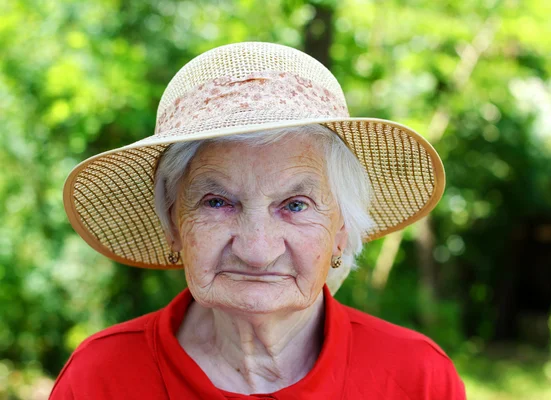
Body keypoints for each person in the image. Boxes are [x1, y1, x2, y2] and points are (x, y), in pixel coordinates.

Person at [51, 42, 465, 399]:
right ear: (174, 226)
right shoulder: (99, 378)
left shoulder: (418, 378)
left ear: (340, 230)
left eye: (296, 205)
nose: (256, 250)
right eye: (217, 202)